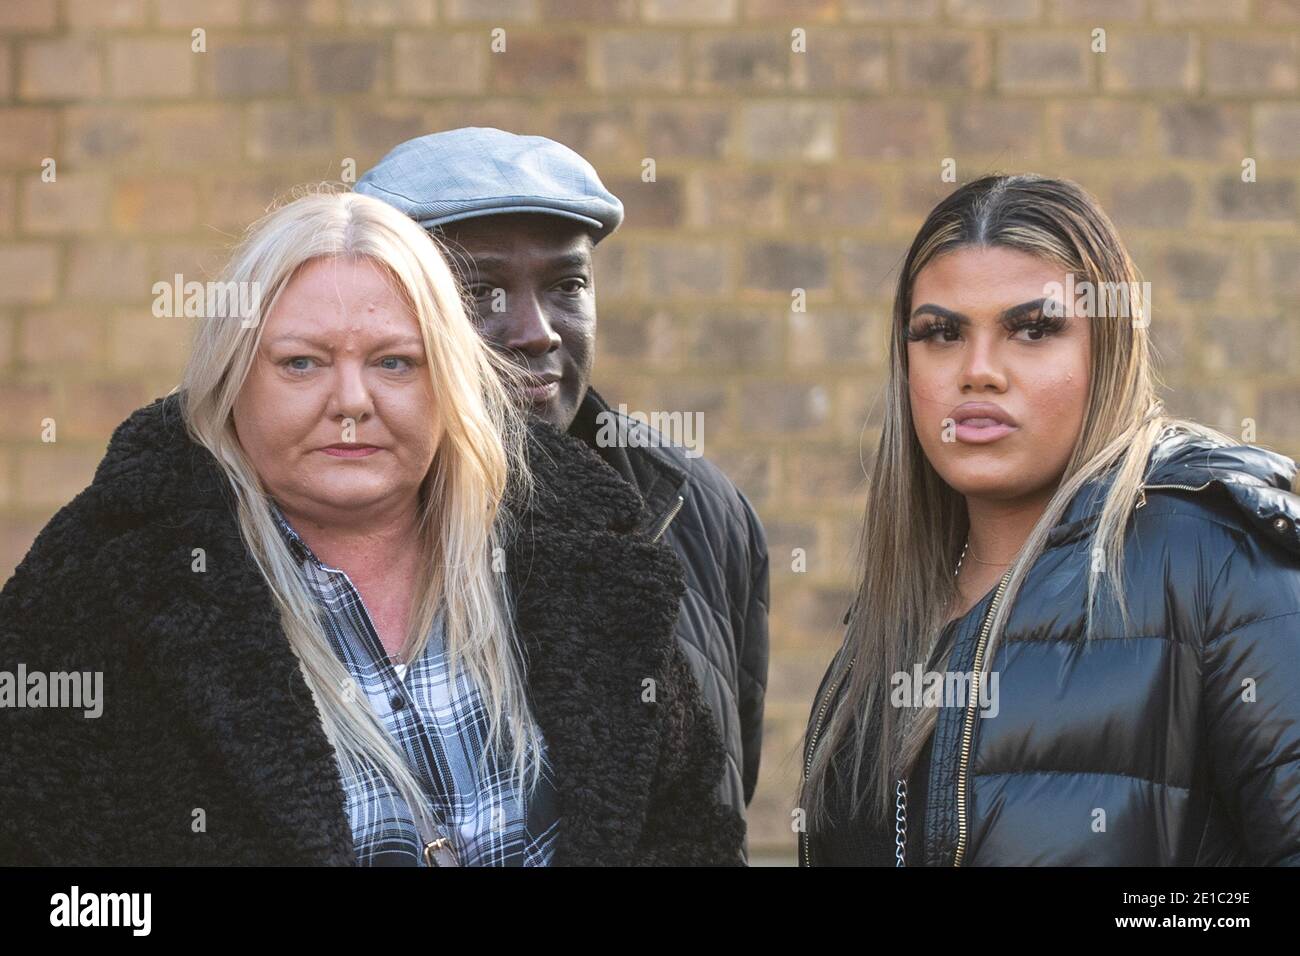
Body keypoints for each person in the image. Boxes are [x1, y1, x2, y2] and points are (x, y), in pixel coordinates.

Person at [0, 189, 744, 866]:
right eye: (301, 363)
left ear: (449, 384)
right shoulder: (105, 596)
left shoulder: (576, 562)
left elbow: (688, 838)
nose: (351, 400)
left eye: (394, 363)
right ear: (230, 384)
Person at [800, 174, 1300, 866]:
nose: (978, 372)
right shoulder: (886, 625)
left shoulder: (1219, 561)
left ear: (1110, 350)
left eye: (1033, 329)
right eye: (940, 333)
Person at [355, 127, 770, 832]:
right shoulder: (323, 522)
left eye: (567, 285)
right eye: (481, 290)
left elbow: (716, 801)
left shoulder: (694, 510)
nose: (538, 330)